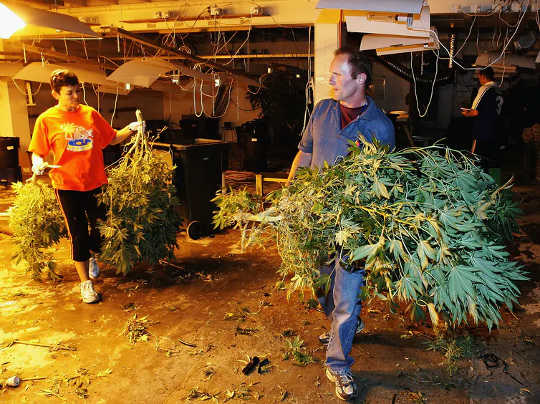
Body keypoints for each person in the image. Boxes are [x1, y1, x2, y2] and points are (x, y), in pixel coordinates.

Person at [287, 48, 395, 401]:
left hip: (355, 228)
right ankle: (342, 325)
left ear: (360, 78)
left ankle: (338, 363)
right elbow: (304, 153)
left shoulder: (380, 126)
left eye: (337, 74)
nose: (330, 79)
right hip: (317, 223)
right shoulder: (322, 111)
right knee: (323, 286)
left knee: (347, 294)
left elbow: (385, 181)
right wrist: (290, 195)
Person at [28, 69, 144, 304]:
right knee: (78, 234)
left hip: (95, 181)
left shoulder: (90, 114)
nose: (75, 97)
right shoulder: (46, 120)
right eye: (69, 93)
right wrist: (38, 163)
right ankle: (85, 285)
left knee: (101, 229)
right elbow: (37, 152)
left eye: (77, 91)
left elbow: (111, 138)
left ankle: (91, 255)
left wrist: (131, 129)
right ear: (55, 94)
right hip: (66, 185)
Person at [461, 67, 503, 172]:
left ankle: (474, 182)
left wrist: (467, 113)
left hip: (482, 129)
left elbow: (475, 111)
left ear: (483, 76)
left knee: (476, 159)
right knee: (490, 159)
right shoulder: (499, 90)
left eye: (479, 77)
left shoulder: (485, 88)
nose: (479, 79)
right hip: (495, 129)